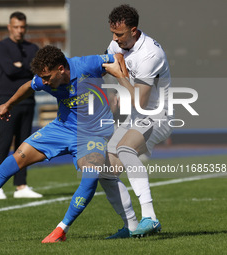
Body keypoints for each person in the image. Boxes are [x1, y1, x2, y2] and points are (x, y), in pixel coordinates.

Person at [0, 45, 126, 243]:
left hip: (93, 133)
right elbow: (28, 86)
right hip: (62, 128)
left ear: (61, 69)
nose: (43, 82)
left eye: (47, 77)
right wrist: (8, 104)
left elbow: (118, 57)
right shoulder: (43, 79)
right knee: (16, 159)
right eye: (42, 78)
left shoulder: (86, 64)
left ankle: (61, 229)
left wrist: (123, 85)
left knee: (90, 175)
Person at [99, 4, 173, 238]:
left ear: (134, 30)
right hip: (136, 117)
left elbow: (140, 101)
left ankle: (150, 217)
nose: (114, 38)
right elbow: (104, 67)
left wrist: (120, 79)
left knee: (125, 148)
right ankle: (130, 224)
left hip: (158, 116)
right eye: (112, 33)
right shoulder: (116, 43)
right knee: (104, 171)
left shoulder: (150, 54)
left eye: (119, 34)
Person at [0, 11, 42, 199]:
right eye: (16, 27)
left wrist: (22, 66)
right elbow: (10, 70)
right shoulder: (1, 47)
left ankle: (21, 185)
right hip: (7, 102)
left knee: (24, 146)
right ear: (9, 27)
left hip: (28, 101)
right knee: (4, 143)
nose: (19, 31)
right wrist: (22, 67)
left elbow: (36, 71)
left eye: (22, 27)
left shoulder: (32, 47)